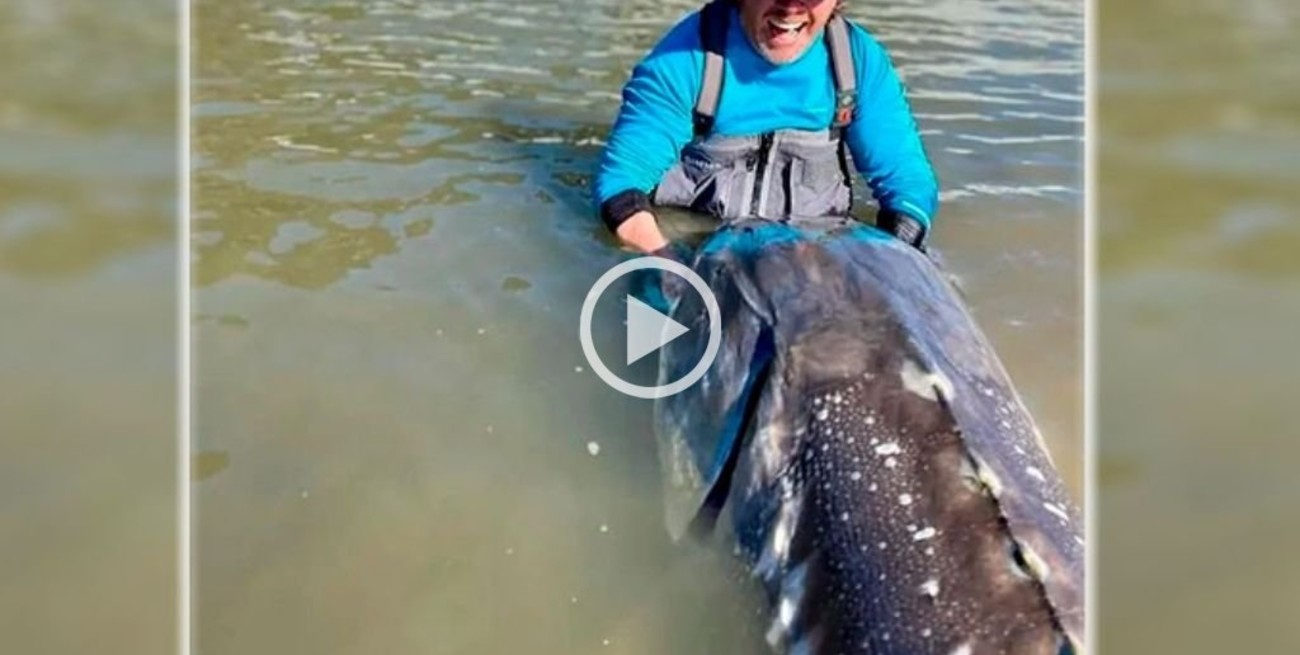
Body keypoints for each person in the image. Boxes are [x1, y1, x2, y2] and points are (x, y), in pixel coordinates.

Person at [593, 0, 938, 257]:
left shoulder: (859, 62)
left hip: (813, 257)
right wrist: (670, 275)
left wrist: (890, 271)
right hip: (696, 247)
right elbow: (622, 187)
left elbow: (908, 186)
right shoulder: (683, 60)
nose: (790, 7)